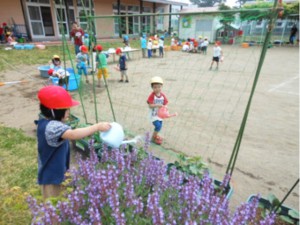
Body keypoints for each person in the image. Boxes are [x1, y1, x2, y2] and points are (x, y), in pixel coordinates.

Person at [36, 85, 111, 200]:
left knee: (62, 199)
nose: (68, 112)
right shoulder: (52, 127)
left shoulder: (46, 122)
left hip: (57, 171)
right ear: (55, 111)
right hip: (51, 176)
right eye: (66, 109)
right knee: (53, 205)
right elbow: (73, 134)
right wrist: (97, 126)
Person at [147, 76, 168, 145]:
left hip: (160, 115)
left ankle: (156, 135)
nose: (157, 89)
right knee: (158, 126)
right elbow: (150, 105)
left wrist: (165, 108)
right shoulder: (152, 95)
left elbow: (165, 103)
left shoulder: (162, 95)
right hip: (153, 115)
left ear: (161, 86)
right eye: (155, 87)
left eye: (159, 87)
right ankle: (153, 138)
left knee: (160, 126)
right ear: (152, 88)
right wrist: (157, 105)